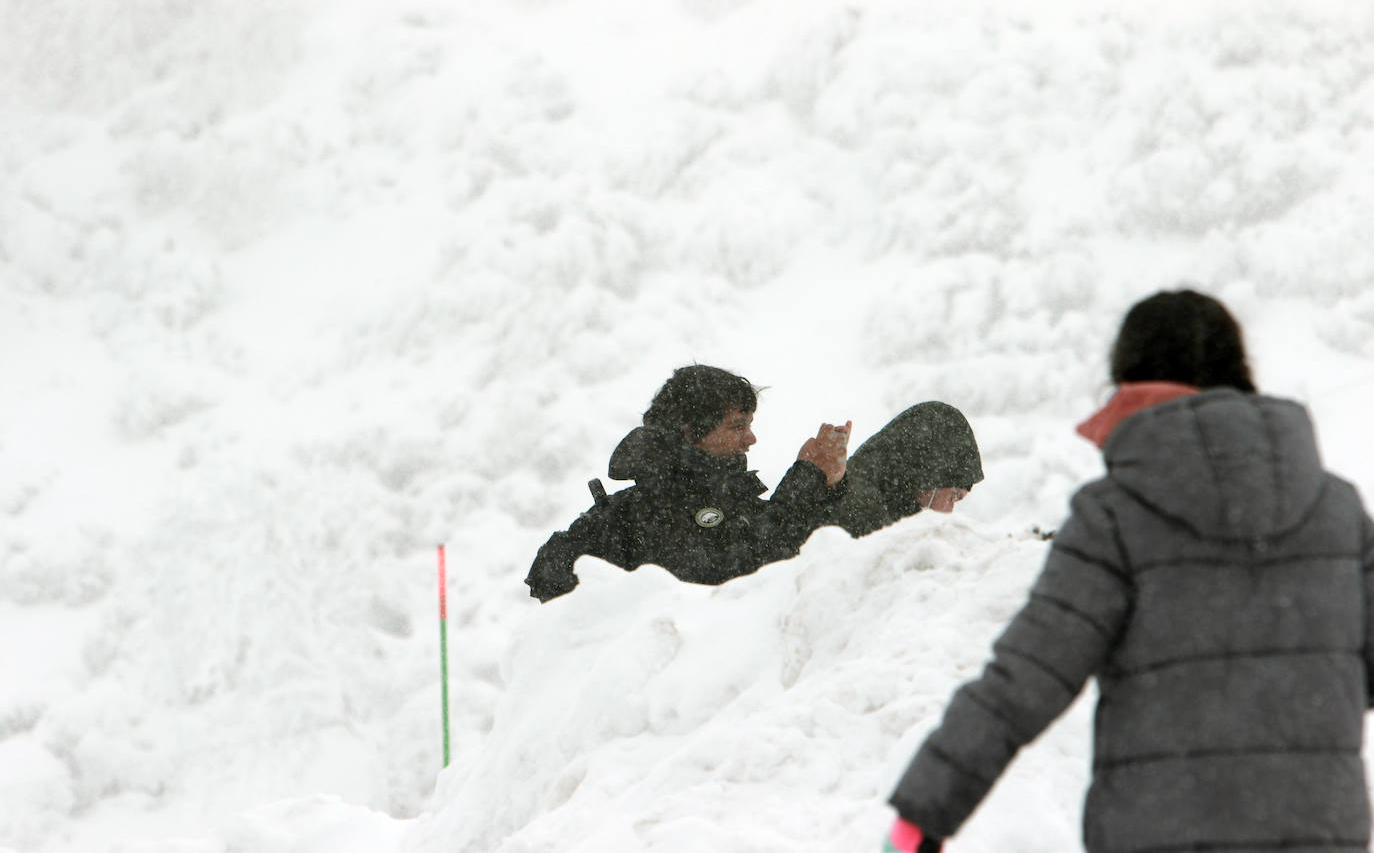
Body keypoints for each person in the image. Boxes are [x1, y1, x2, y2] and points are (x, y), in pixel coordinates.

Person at [882, 290, 1374, 853]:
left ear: (1129, 385)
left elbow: (1023, 682)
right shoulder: (1338, 513)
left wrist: (920, 816)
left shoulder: (1115, 517)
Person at [525, 364, 853, 602]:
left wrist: (827, 485)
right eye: (737, 426)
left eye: (749, 424)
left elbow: (807, 549)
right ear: (689, 431)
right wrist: (805, 481)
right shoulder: (652, 507)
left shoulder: (727, 494)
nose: (751, 438)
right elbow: (739, 573)